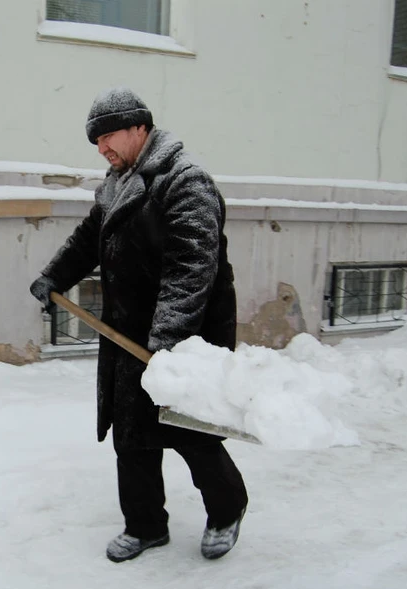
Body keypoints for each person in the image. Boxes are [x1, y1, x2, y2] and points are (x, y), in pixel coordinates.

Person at [30, 87, 248, 563]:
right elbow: (90, 238)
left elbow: (192, 269)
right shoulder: (115, 184)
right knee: (131, 435)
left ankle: (227, 511)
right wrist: (55, 276)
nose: (102, 147)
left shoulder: (184, 181)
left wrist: (167, 345)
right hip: (128, 336)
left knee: (192, 434)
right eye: (96, 141)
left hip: (183, 339)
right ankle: (146, 525)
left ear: (140, 128)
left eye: (109, 136)